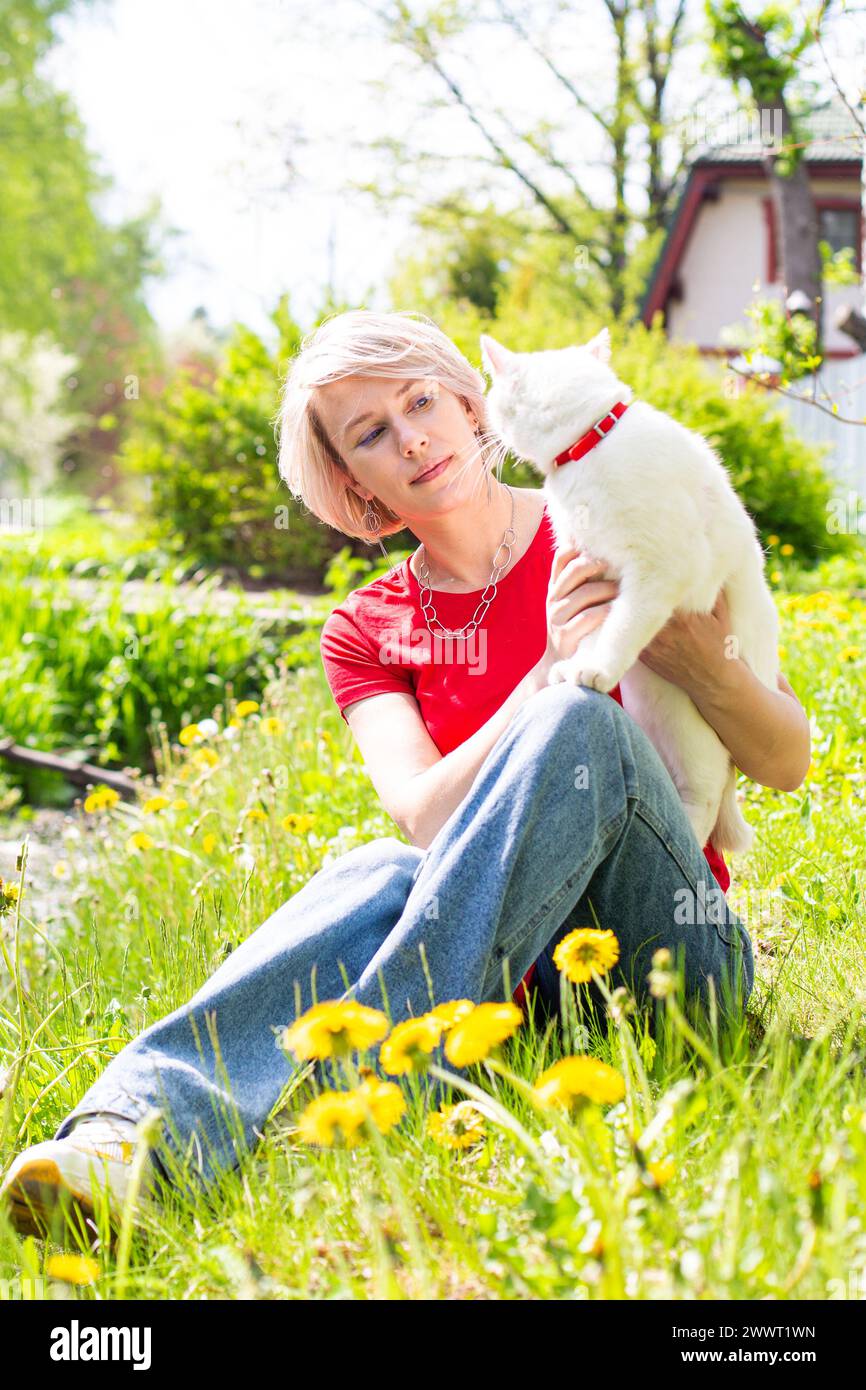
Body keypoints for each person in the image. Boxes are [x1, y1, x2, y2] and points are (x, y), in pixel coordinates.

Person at [1, 310, 811, 1242]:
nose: (412, 437)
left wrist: (704, 660)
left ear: (474, 404)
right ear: (352, 482)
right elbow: (425, 818)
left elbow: (786, 762)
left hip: (670, 967)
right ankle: (124, 1141)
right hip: (517, 1003)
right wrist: (547, 667)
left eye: (421, 401)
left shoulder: (613, 509)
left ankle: (364, 1096)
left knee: (581, 721)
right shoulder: (365, 628)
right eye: (371, 434)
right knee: (374, 868)